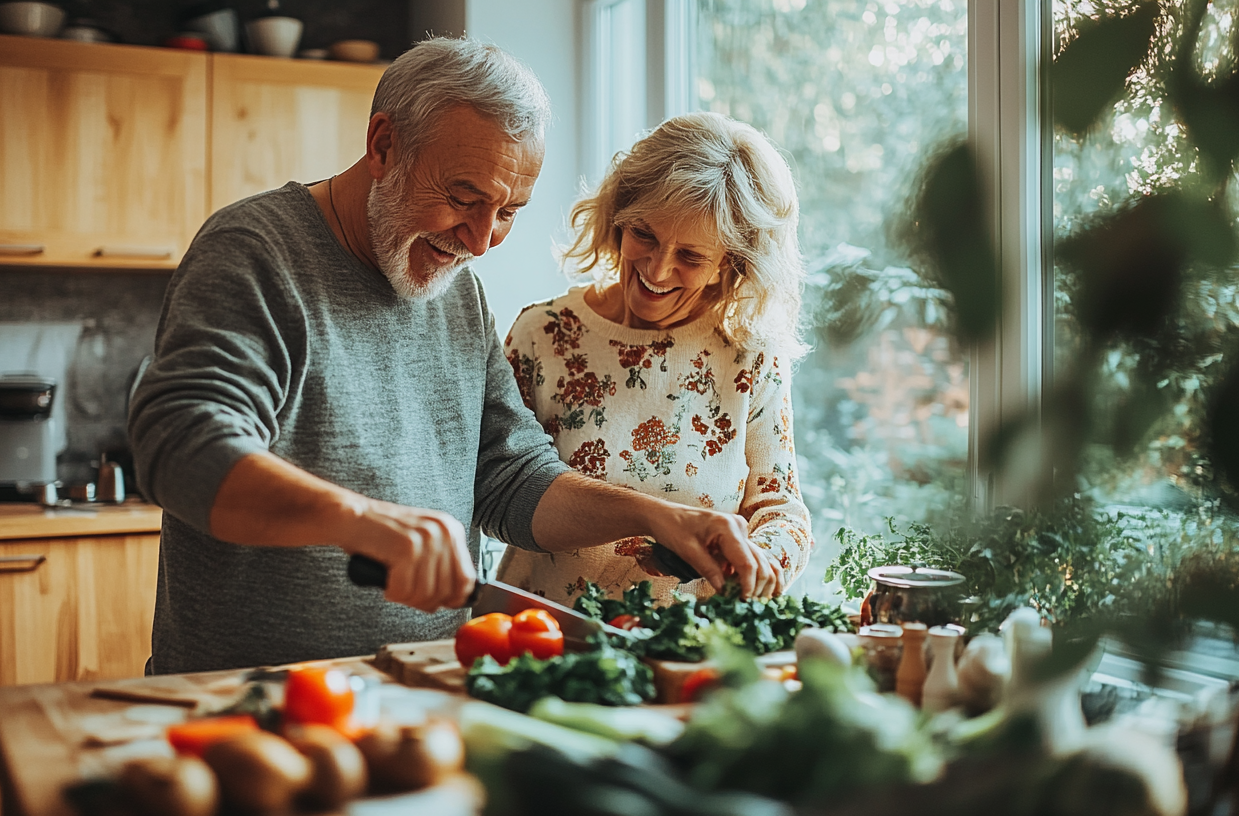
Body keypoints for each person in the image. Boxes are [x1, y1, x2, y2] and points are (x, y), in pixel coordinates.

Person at [127, 39, 781, 674]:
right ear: (384, 145)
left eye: (508, 212)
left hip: (423, 686)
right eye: (465, 198)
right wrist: (363, 522)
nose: (480, 239)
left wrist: (658, 515)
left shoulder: (453, 289)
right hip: (251, 697)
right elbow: (181, 447)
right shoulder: (257, 253)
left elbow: (511, 477)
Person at [496, 111, 813, 606]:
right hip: (545, 635)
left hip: (687, 647)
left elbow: (780, 509)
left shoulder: (748, 355)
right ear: (619, 215)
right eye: (644, 234)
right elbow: (496, 491)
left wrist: (762, 560)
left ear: (728, 264)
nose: (658, 269)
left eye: (690, 257)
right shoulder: (544, 335)